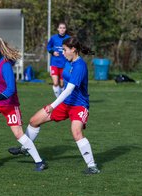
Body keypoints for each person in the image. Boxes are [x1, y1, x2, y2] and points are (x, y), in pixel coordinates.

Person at [8, 37, 100, 175]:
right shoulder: (68, 61)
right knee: (34, 121)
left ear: (73, 50)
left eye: (65, 50)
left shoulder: (80, 66)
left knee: (76, 132)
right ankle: (25, 149)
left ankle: (92, 166)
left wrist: (52, 105)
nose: (62, 52)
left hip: (79, 105)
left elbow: (69, 90)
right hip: (65, 104)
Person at [0, 37, 47, 171]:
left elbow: (11, 89)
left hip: (9, 104)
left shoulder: (5, 65)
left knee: (18, 134)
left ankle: (40, 162)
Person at [47, 22, 70, 98]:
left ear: (65, 29)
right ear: (58, 29)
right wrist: (52, 52)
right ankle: (58, 100)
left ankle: (63, 99)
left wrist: (67, 52)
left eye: (63, 28)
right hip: (54, 63)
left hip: (64, 64)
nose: (62, 29)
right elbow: (48, 47)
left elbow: (72, 48)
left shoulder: (68, 38)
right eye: (60, 28)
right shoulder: (53, 38)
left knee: (62, 84)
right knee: (56, 83)